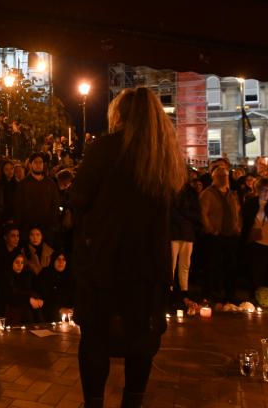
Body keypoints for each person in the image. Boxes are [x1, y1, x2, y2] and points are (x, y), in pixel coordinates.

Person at [70, 87, 186, 408]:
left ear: (121, 115)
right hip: (148, 269)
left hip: (104, 264)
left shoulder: (106, 148)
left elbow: (79, 198)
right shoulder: (163, 158)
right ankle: (132, 402)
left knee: (95, 340)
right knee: (141, 343)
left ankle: (93, 403)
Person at [199, 164, 241, 303]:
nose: (224, 178)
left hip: (230, 235)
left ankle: (229, 294)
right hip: (215, 236)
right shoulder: (208, 193)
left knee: (231, 267)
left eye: (225, 176)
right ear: (214, 177)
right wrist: (211, 229)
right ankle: (210, 293)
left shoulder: (231, 194)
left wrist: (237, 226)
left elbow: (237, 212)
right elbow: (203, 213)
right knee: (212, 266)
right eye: (220, 176)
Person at [14, 152, 59, 244]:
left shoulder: (50, 183)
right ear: (30, 164)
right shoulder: (23, 184)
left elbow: (54, 204)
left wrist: (53, 223)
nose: (38, 165)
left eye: (40, 162)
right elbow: (18, 205)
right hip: (27, 226)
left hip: (46, 226)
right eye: (36, 162)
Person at [241, 177, 268, 293]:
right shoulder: (251, 204)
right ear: (258, 190)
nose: (266, 193)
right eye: (264, 190)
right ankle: (256, 294)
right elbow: (245, 221)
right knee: (257, 271)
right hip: (256, 241)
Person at [0, 253, 43, 324]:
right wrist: (28, 299)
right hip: (10, 309)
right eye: (17, 262)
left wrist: (38, 299)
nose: (19, 265)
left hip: (24, 306)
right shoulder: (5, 276)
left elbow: (31, 290)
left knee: (34, 309)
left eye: (22, 263)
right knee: (27, 311)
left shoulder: (26, 275)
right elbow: (9, 296)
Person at [36, 251, 74, 322]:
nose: (61, 262)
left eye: (63, 259)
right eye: (58, 259)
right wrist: (59, 309)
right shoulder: (45, 274)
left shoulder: (69, 276)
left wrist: (71, 309)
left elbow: (73, 295)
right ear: (53, 260)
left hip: (68, 313)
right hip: (49, 312)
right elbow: (44, 298)